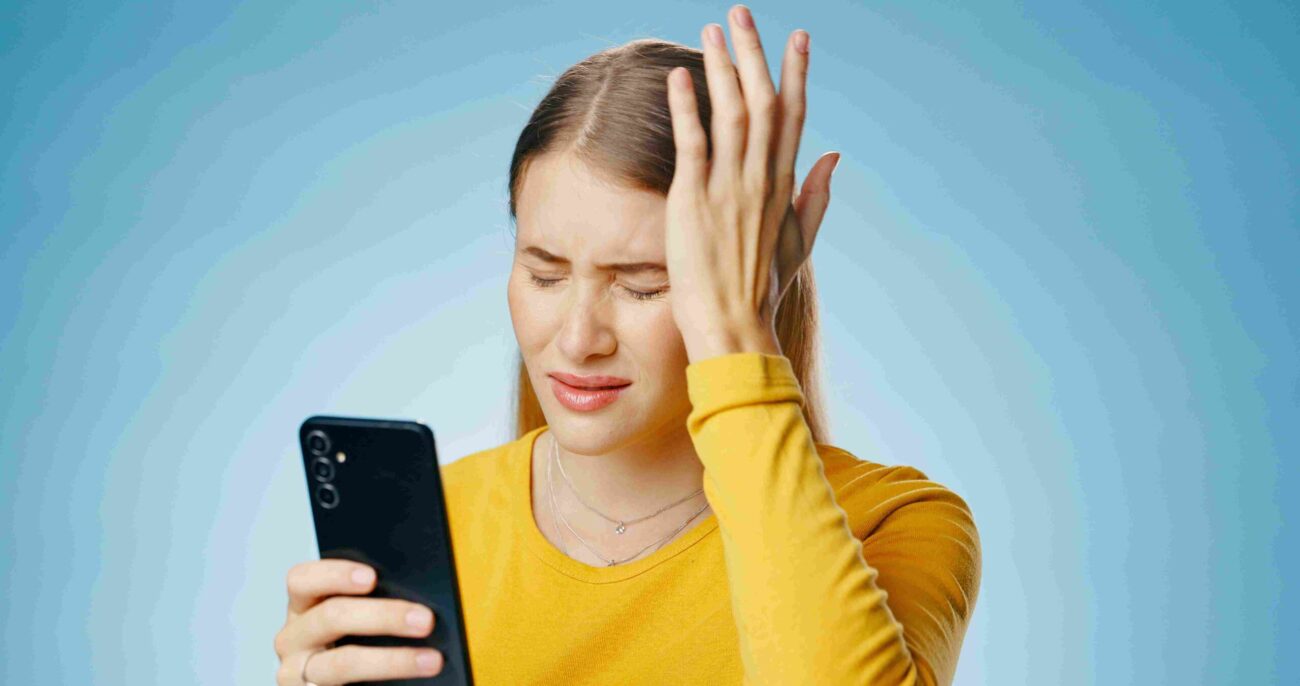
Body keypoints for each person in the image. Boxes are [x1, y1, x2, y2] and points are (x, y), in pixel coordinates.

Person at [274, 5, 981, 685]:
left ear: (747, 283)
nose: (577, 340)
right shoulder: (437, 524)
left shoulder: (894, 522)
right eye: (544, 273)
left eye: (644, 285)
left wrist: (739, 338)